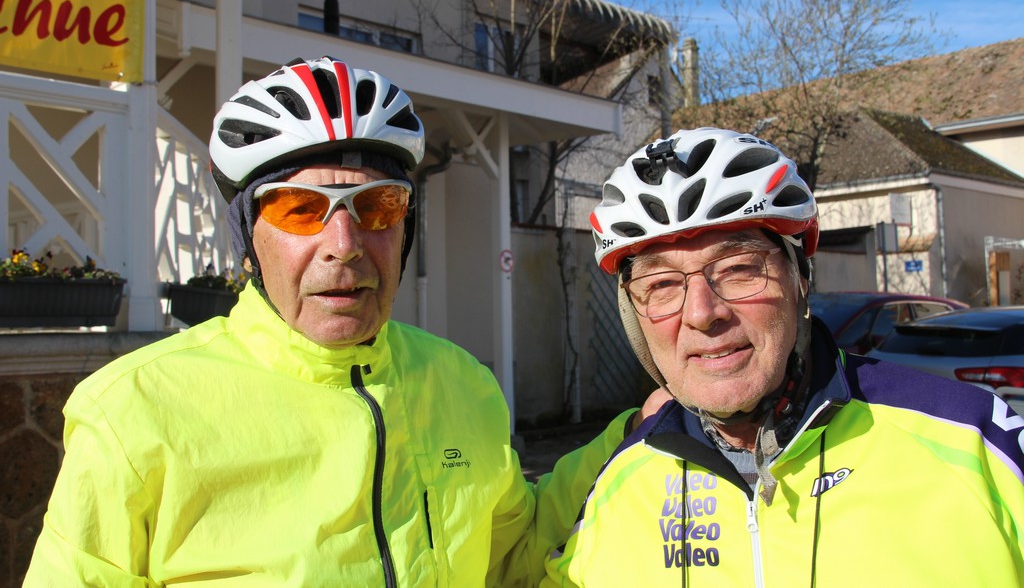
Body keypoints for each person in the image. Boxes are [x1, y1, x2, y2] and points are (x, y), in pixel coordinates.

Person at [23, 56, 635, 586]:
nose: (344, 244)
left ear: (405, 230)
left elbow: (510, 564)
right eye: (299, 208)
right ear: (248, 242)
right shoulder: (131, 412)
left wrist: (630, 437)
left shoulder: (462, 383)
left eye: (378, 205)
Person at [544, 127, 1024, 586]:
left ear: (800, 280)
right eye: (662, 284)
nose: (702, 314)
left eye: (739, 268)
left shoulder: (977, 445)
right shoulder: (617, 486)